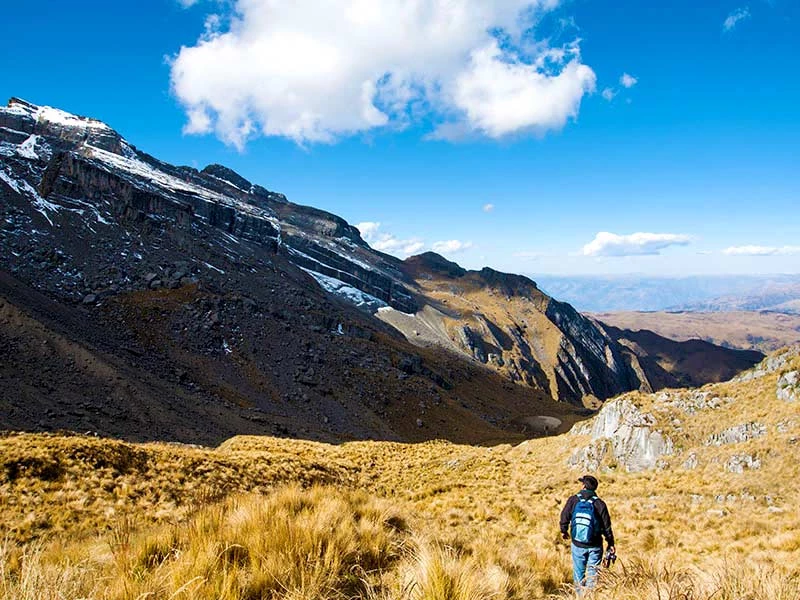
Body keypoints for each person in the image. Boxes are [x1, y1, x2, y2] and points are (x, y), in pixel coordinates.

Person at [559, 474, 615, 594]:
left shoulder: (573, 500)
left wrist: (564, 530)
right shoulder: (600, 504)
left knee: (578, 573)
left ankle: (580, 596)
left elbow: (564, 516)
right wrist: (610, 543)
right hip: (595, 545)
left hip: (577, 544)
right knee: (593, 575)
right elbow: (607, 526)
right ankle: (590, 595)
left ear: (584, 486)